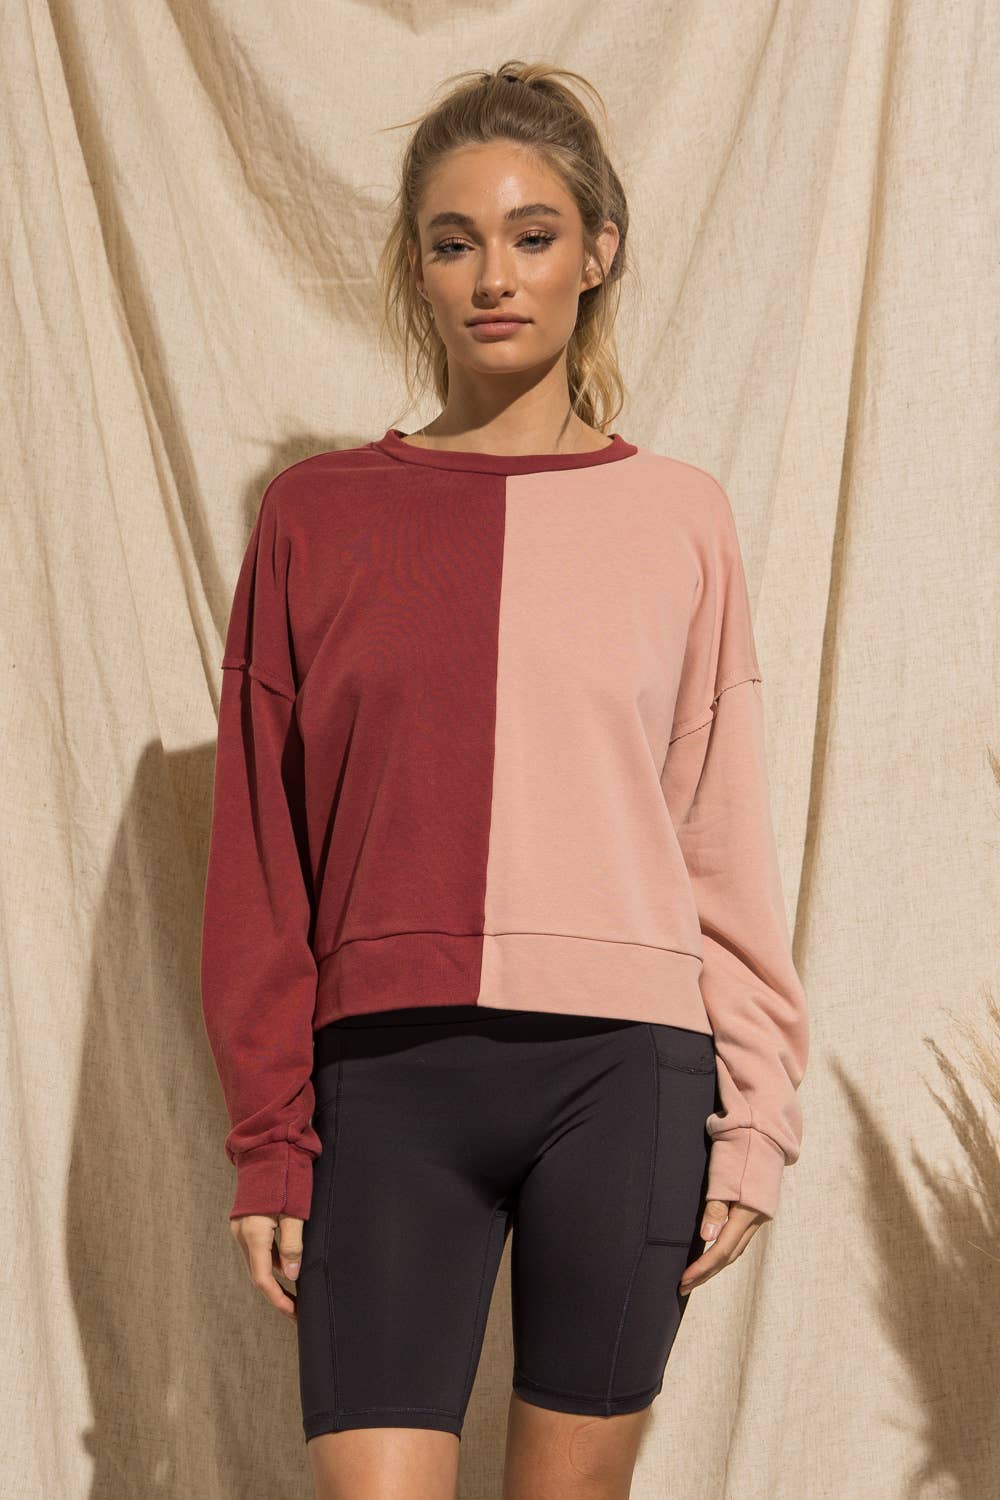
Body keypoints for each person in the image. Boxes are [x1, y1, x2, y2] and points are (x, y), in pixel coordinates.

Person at [200, 59, 809, 1500]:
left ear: (597, 253)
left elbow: (719, 832)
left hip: (627, 1078)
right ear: (414, 266)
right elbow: (259, 861)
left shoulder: (680, 516)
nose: (494, 276)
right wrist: (270, 1139)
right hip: (385, 1081)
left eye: (534, 236)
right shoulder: (314, 518)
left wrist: (759, 1117)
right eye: (454, 240)